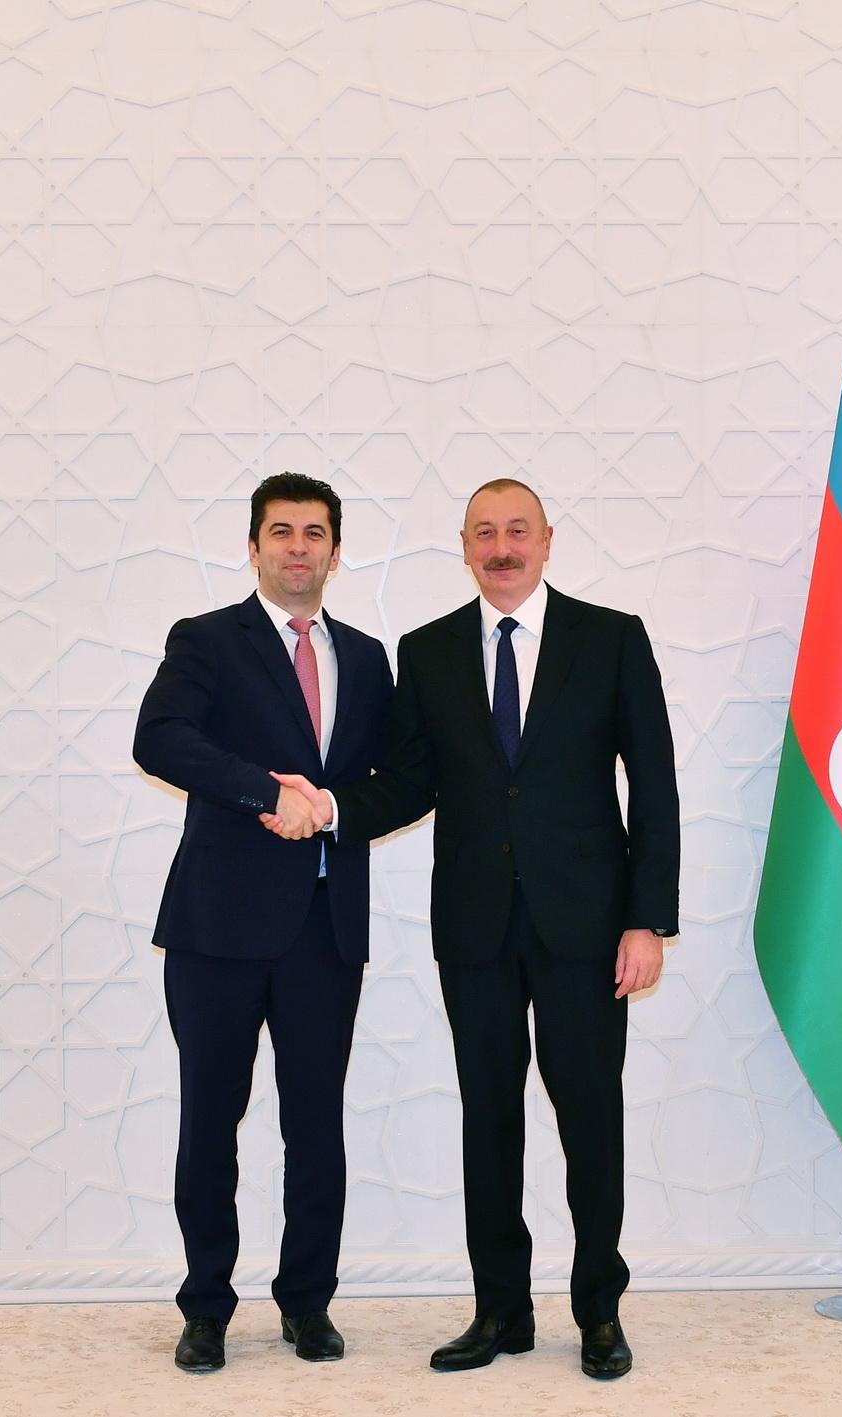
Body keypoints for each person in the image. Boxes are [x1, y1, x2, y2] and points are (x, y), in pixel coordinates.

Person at [271, 478, 679, 1380]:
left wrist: (647, 918)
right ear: (463, 547)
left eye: (517, 531)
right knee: (488, 1121)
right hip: (475, 928)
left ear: (546, 540)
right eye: (484, 533)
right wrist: (330, 806)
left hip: (587, 929)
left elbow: (653, 782)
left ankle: (598, 1310)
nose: (502, 547)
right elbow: (409, 781)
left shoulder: (611, 638)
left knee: (590, 1118)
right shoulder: (428, 651)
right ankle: (500, 1309)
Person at [132, 472, 394, 1374]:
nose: (297, 546)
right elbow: (160, 738)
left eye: (313, 532)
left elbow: (395, 777)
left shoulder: (367, 658)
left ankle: (306, 1302)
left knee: (315, 1128)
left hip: (326, 930)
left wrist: (334, 810)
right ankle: (205, 1306)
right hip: (217, 929)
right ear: (253, 547)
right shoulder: (206, 639)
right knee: (210, 1121)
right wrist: (265, 793)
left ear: (334, 550)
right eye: (280, 531)